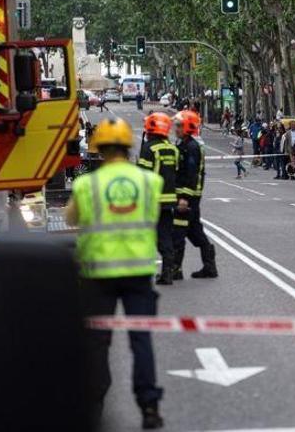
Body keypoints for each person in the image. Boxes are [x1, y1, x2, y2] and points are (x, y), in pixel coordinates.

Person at [64, 118, 165, 429]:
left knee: (97, 344)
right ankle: (149, 407)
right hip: (138, 271)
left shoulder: (86, 184)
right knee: (141, 341)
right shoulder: (149, 182)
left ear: (99, 149)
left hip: (97, 273)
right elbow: (152, 216)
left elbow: (71, 220)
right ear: (128, 146)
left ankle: (93, 406)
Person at [172, 110, 218, 279]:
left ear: (187, 127)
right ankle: (210, 267)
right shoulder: (185, 145)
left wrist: (184, 198)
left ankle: (175, 270)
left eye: (179, 125)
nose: (175, 128)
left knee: (177, 233)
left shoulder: (191, 148)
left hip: (188, 198)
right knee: (195, 233)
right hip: (191, 198)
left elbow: (190, 175)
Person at [138, 112, 180, 286]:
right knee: (165, 236)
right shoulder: (172, 149)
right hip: (169, 201)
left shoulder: (149, 149)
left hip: (151, 201)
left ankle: (144, 274)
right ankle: (168, 272)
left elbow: (142, 176)